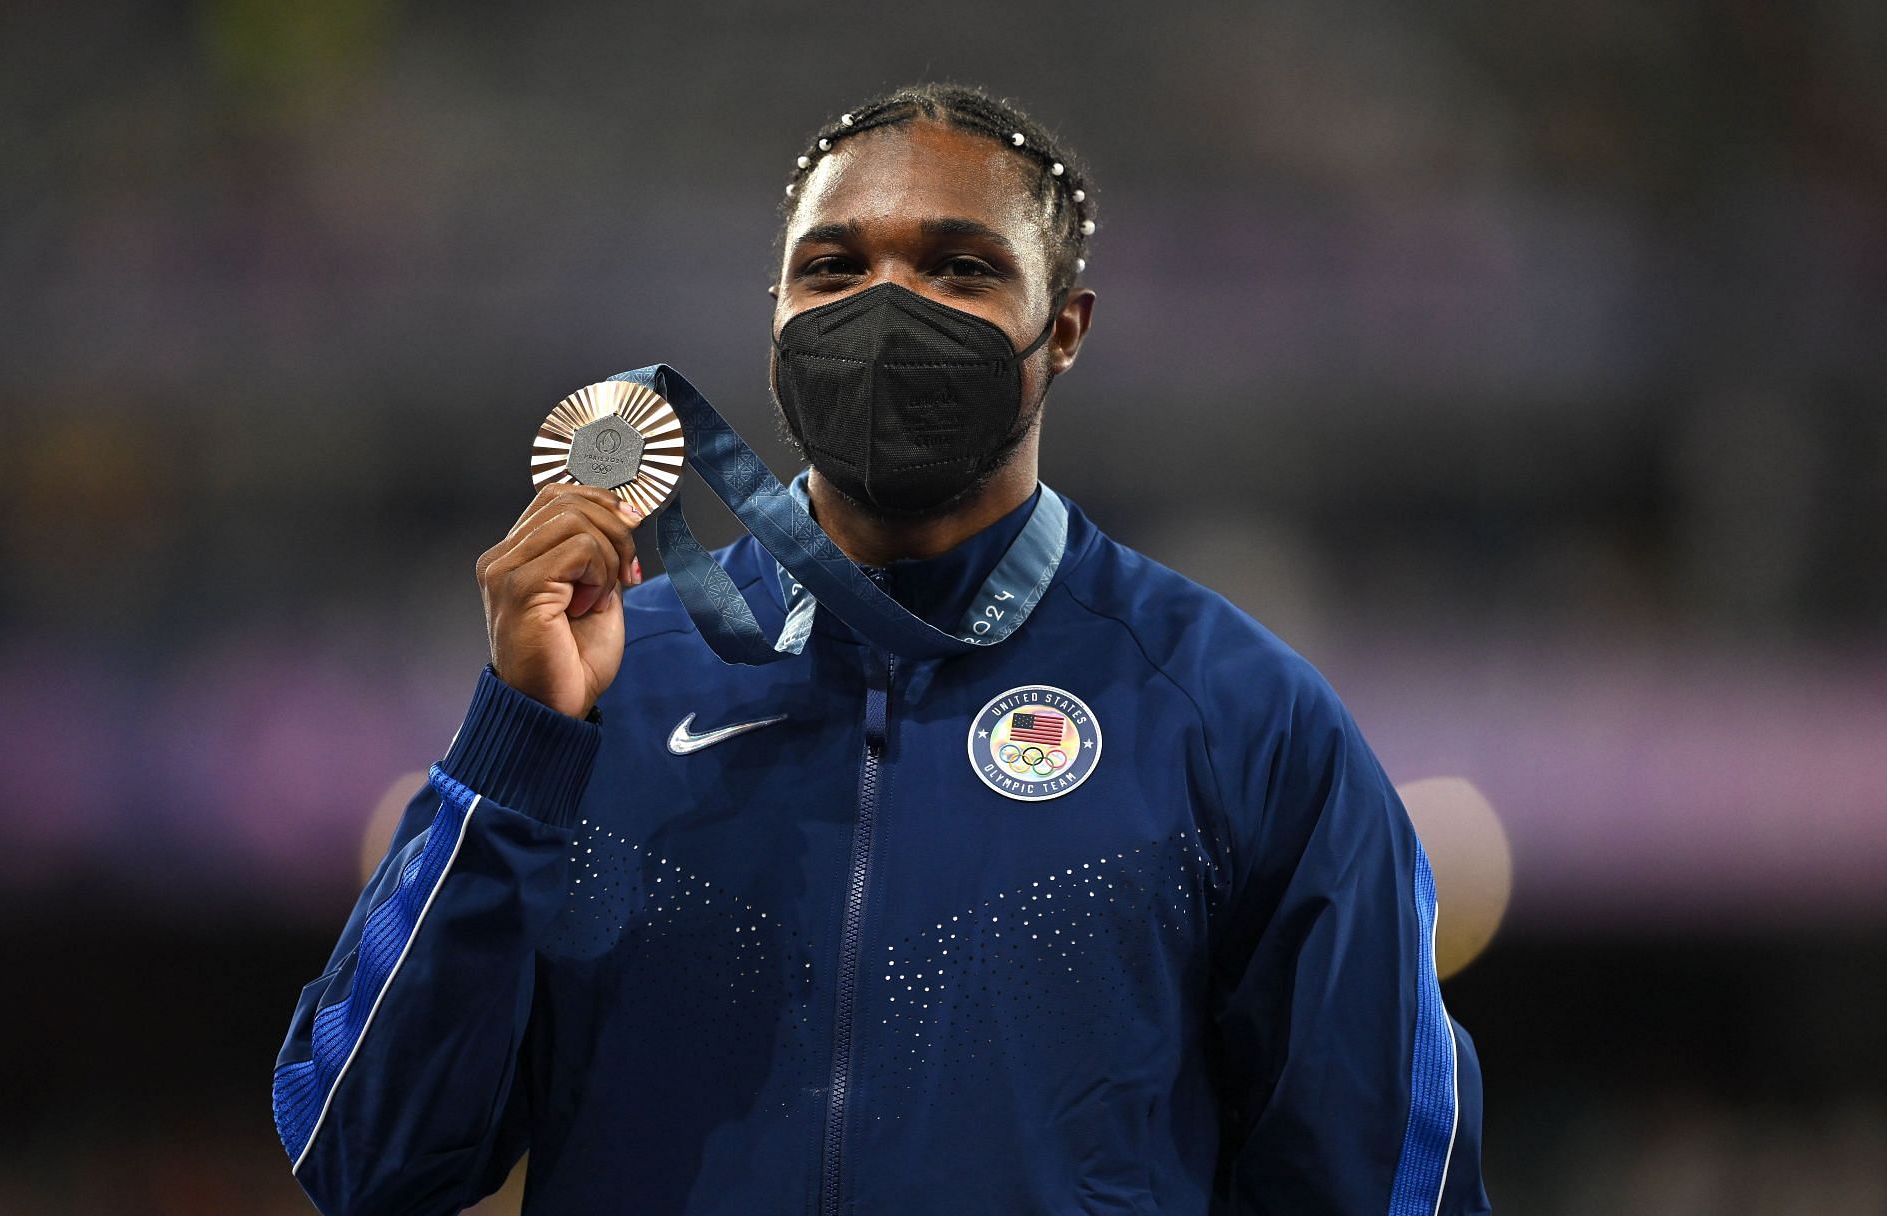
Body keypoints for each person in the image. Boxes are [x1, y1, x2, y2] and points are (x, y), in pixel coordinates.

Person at [272, 82, 1490, 1215]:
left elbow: (1384, 1177)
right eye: (835, 267)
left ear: (1061, 329)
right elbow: (367, 1157)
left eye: (960, 269)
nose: (887, 306)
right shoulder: (602, 688)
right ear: (777, 320)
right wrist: (516, 748)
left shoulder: (1234, 712)